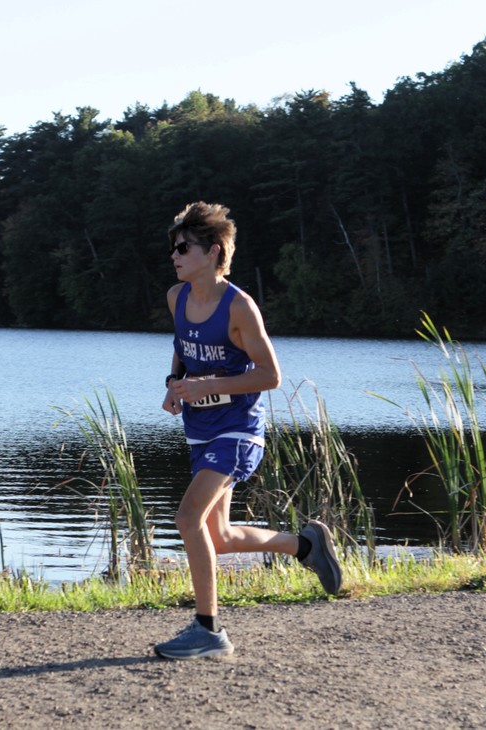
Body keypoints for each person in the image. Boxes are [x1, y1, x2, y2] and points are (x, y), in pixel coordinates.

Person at [155, 201, 342, 661]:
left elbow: (270, 375)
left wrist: (213, 384)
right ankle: (304, 545)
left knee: (186, 519)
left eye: (183, 247)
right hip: (200, 429)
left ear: (213, 252)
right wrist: (174, 386)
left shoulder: (239, 307)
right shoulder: (176, 298)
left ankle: (208, 629)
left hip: (238, 429)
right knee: (216, 537)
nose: (174, 256)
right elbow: (183, 349)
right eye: (173, 248)